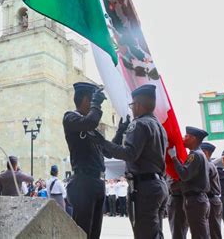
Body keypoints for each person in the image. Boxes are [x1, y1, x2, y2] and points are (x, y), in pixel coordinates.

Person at [93, 84, 168, 239]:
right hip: (158, 185)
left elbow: (130, 153)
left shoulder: (139, 123)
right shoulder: (159, 126)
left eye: (132, 105)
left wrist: (103, 142)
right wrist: (120, 132)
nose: (132, 109)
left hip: (144, 188)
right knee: (155, 233)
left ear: (138, 105)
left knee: (144, 234)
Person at [63, 82, 108, 239]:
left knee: (95, 232)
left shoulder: (89, 126)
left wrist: (121, 129)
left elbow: (107, 150)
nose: (94, 106)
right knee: (82, 232)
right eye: (93, 101)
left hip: (97, 181)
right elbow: (90, 122)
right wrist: (97, 106)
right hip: (83, 182)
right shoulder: (71, 118)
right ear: (84, 100)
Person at [169, 126, 210, 239]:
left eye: (186, 136)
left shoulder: (195, 155)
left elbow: (184, 175)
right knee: (200, 232)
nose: (183, 138)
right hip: (197, 199)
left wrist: (174, 158)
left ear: (193, 138)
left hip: (195, 200)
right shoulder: (198, 154)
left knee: (199, 234)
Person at [200, 142, 222, 239]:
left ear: (205, 153)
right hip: (211, 200)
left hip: (211, 200)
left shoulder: (207, 165)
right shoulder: (208, 164)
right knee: (210, 229)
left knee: (213, 230)